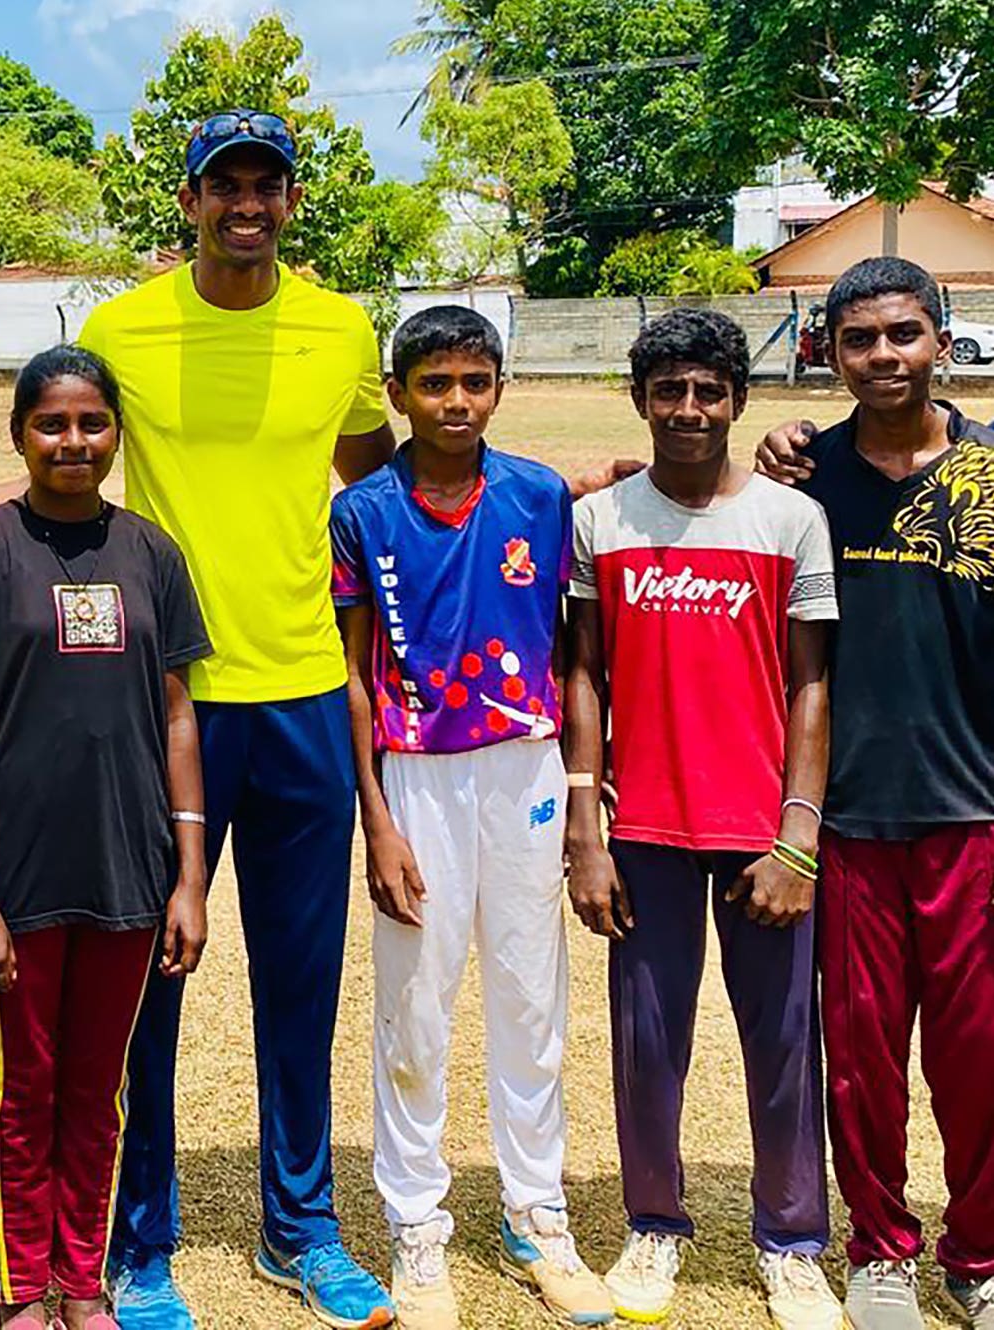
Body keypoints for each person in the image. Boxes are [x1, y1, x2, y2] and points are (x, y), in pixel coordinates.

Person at [70, 107, 400, 1330]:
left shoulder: (339, 325)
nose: (246, 203)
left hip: (308, 689)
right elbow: (69, 453)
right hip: (167, 702)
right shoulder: (123, 329)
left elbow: (378, 467)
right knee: (153, 974)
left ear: (293, 199)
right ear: (191, 201)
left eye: (267, 183)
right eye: (225, 184)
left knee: (301, 977)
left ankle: (299, 1227)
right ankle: (140, 1236)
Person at [328, 307, 613, 1330]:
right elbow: (356, 678)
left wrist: (584, 801)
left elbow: (580, 654)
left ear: (500, 386)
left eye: (475, 381)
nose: (456, 402)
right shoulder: (362, 510)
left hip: (525, 766)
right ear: (398, 392)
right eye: (434, 383)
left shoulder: (540, 494)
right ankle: (417, 1226)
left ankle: (536, 1212)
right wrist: (377, 819)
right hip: (415, 776)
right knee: (416, 1002)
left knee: (532, 999)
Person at [563, 308, 842, 1330]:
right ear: (642, 399)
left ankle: (793, 1240)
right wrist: (586, 834)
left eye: (709, 391)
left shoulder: (786, 519)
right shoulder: (603, 521)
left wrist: (798, 834)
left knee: (781, 1044)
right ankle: (655, 1222)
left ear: (737, 400)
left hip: (763, 830)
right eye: (669, 390)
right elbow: (583, 674)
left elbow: (812, 684)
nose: (689, 409)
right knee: (647, 1041)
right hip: (645, 833)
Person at [0, 346, 212, 1330]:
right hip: (18, 871)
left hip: (129, 870)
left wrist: (189, 876)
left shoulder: (151, 553)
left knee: (99, 1091)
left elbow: (178, 715)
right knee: (25, 1085)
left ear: (116, 434)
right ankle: (16, 1287)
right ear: (19, 433)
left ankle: (83, 1283)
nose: (73, 441)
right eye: (51, 423)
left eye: (91, 422)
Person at [753, 257, 994, 1330]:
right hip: (848, 818)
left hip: (976, 819)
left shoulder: (989, 475)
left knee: (979, 1054)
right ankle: (882, 1250)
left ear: (942, 338)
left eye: (903, 334)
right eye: (859, 339)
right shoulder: (808, 481)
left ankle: (978, 1256)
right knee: (860, 1058)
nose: (883, 356)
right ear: (829, 351)